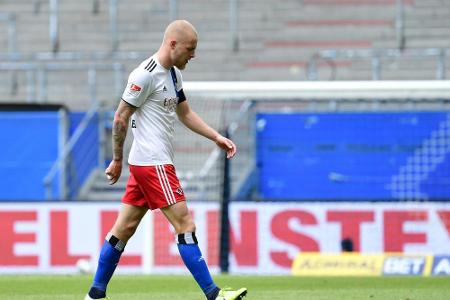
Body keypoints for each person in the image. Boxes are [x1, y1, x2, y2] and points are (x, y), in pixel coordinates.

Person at [84, 20, 247, 300]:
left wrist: (215, 137)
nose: (193, 55)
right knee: (185, 224)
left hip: (146, 162)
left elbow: (185, 113)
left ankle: (95, 294)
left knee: (124, 228)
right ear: (173, 44)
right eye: (190, 49)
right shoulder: (144, 75)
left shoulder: (173, 75)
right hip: (153, 163)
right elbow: (121, 116)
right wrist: (117, 159)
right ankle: (214, 295)